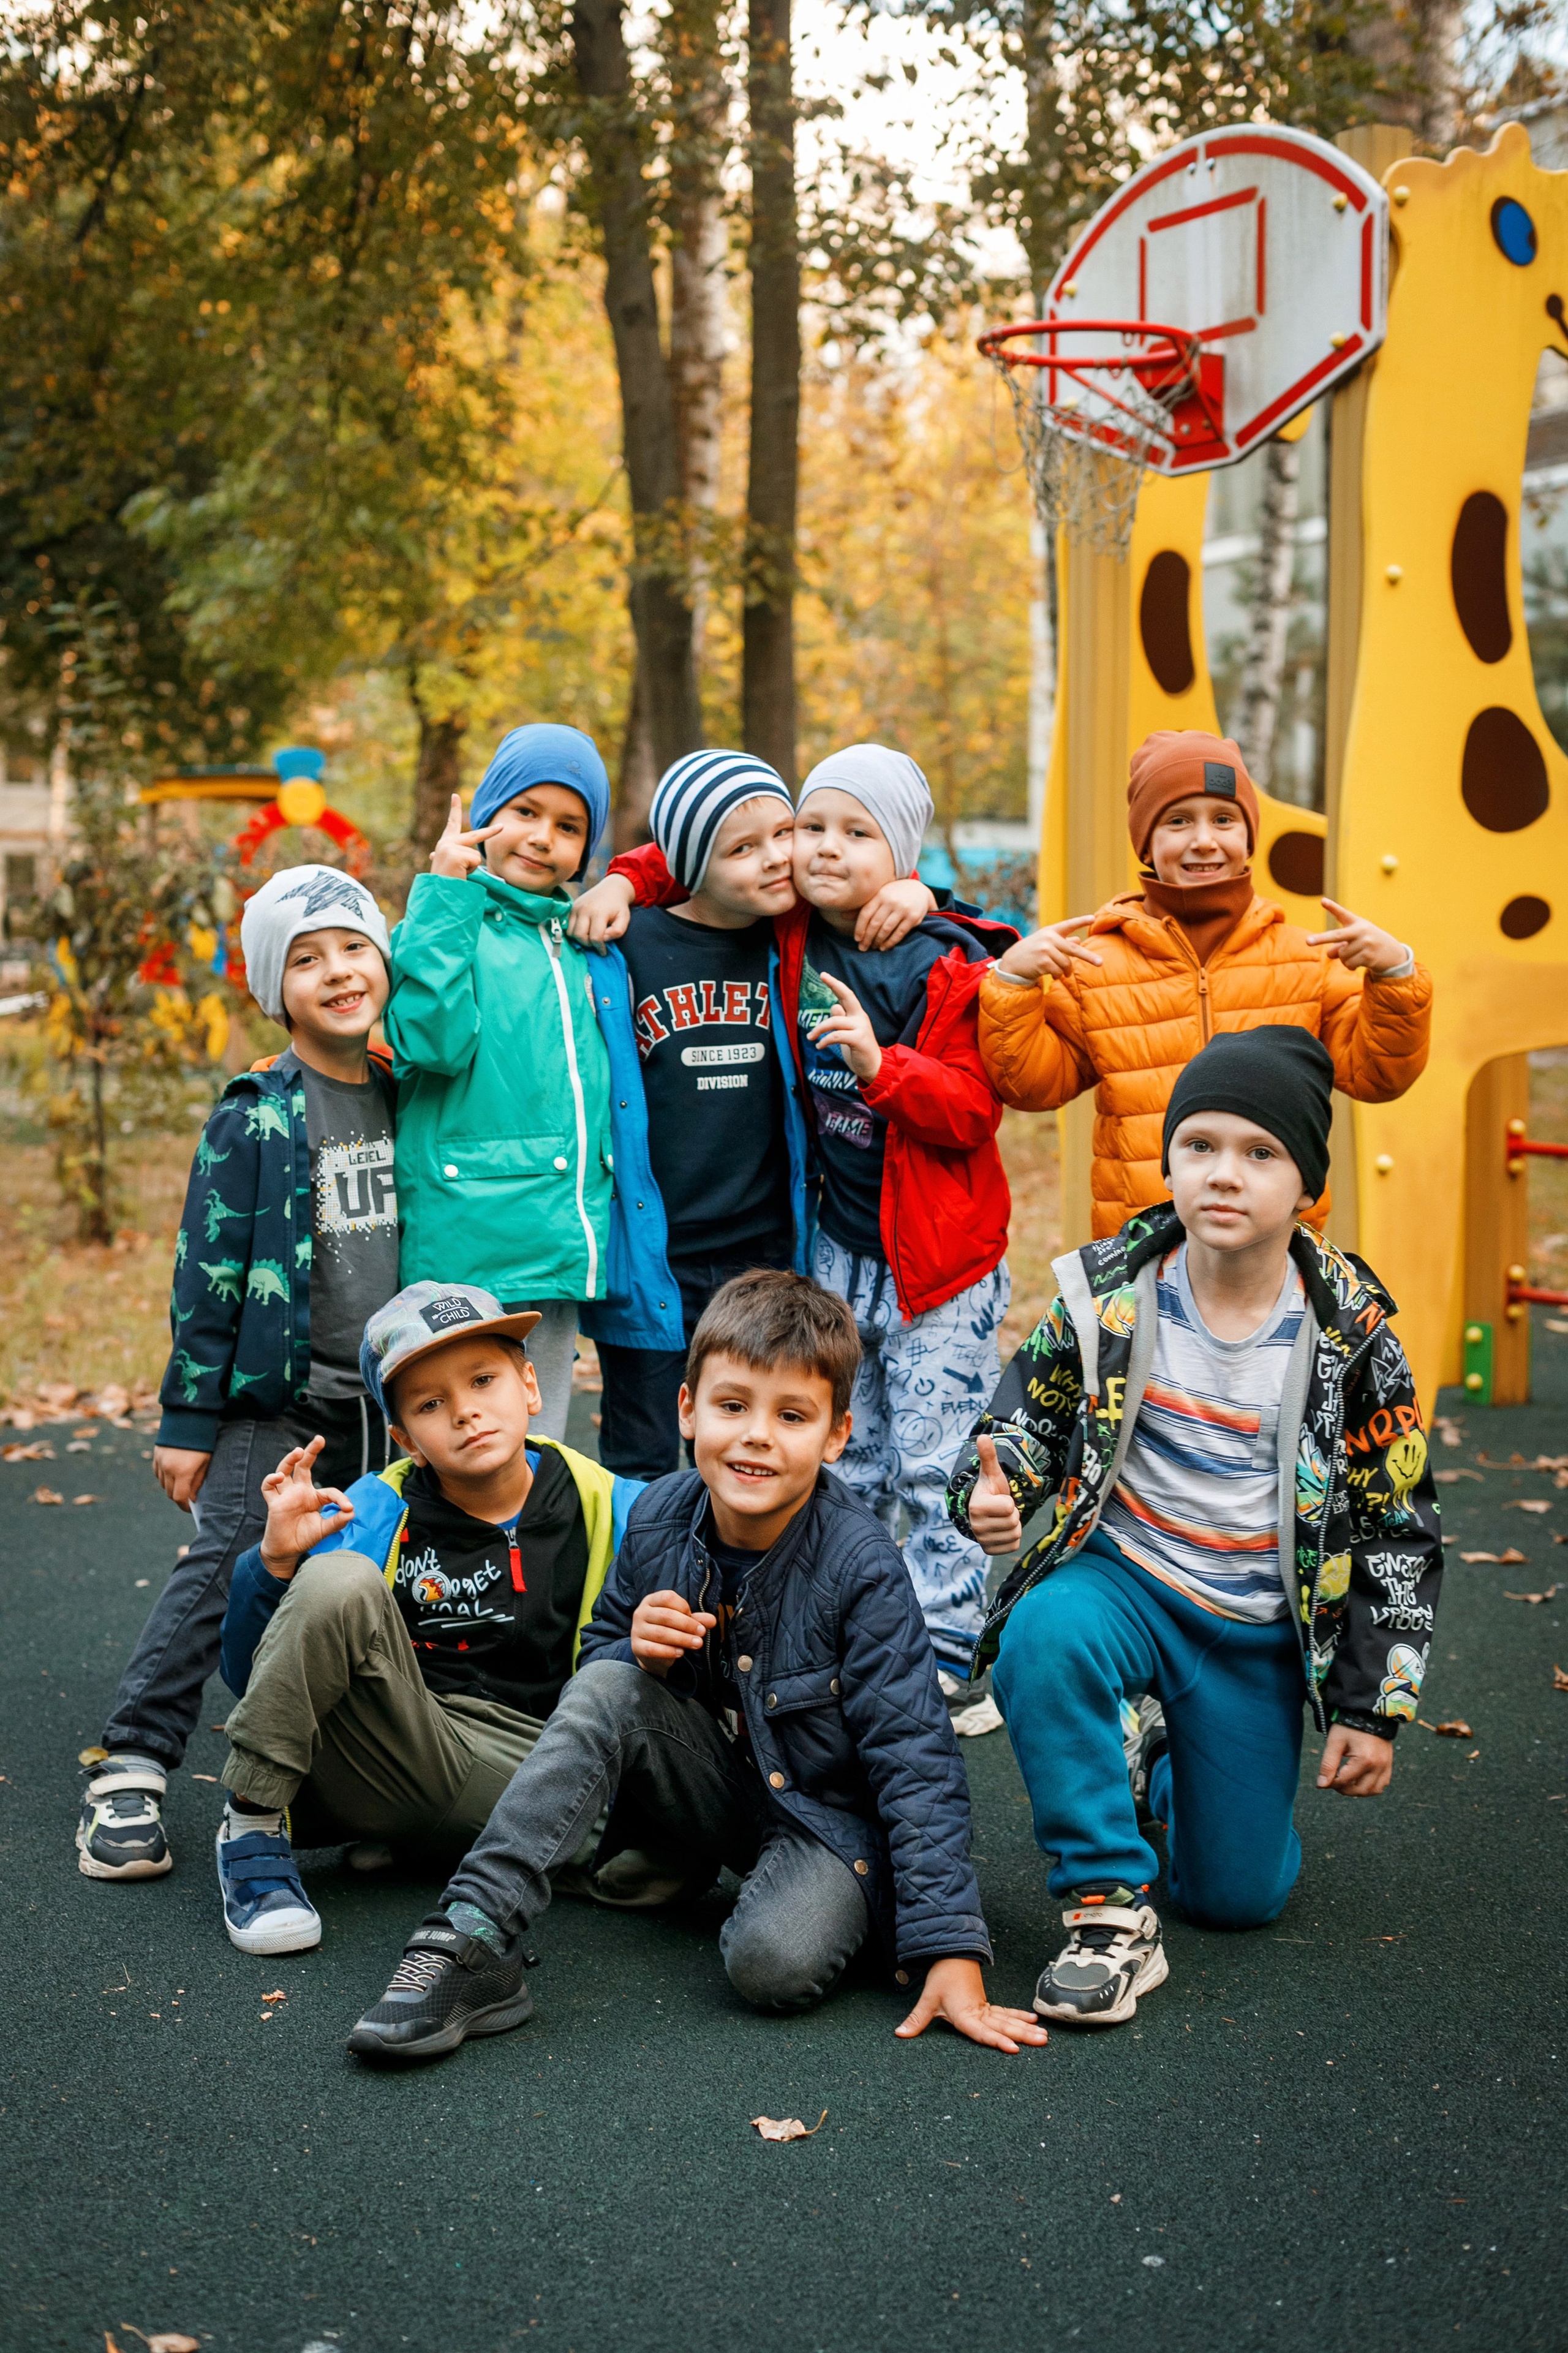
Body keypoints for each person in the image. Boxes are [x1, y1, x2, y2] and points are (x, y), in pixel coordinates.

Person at [345, 1270, 1050, 2062]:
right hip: (725, 1788)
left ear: (835, 1436)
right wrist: (633, 1645)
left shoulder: (861, 1565)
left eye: (791, 1415)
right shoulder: (658, 1515)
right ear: (688, 1410)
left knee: (771, 1963)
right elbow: (598, 1669)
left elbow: (916, 1757)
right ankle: (470, 1937)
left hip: (827, 1822)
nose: (756, 1435)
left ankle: (808, 1895)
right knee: (612, 1684)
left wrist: (946, 1947)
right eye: (732, 1405)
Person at [946, 1027, 1442, 2028]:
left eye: (1261, 1154)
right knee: (1045, 1633)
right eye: (1200, 1146)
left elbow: (1400, 1525)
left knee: (1235, 1899)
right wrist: (991, 1491)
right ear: (1167, 1161)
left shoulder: (1350, 1334)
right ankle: (1106, 1912)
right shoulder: (1109, 1299)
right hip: (1129, 1578)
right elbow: (1017, 1423)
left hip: (1256, 1628)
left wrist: (1370, 1706)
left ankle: (1163, 1761)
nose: (1225, 1174)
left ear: (1305, 1184)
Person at [578, 746, 1019, 1732]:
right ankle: (846, 1632)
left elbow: (971, 1103)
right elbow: (707, 848)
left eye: (845, 833)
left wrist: (882, 1056)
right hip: (836, 1246)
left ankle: (950, 1653)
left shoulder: (939, 952)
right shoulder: (792, 926)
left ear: (897, 851)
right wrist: (621, 871)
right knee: (842, 1455)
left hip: (935, 1257)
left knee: (933, 1456)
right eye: (806, 828)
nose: (807, 852)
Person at [76, 865, 399, 1883]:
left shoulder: (407, 1094)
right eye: (308, 960)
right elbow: (205, 1272)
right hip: (279, 1399)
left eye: (354, 947)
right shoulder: (257, 1113)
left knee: (357, 1590)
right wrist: (188, 1415)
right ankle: (128, 1769)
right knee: (222, 1568)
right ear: (275, 987)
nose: (339, 972)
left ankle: (342, 1779)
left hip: (383, 1408)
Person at [212, 1281, 644, 1955]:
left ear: (530, 1386)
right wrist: (271, 1563)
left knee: (654, 1856)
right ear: (404, 1436)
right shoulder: (370, 1512)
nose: (466, 1412)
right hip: (402, 1736)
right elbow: (250, 1679)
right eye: (432, 1403)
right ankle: (252, 1824)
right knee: (338, 1577)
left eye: (482, 1380)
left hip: (536, 1755)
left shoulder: (615, 1504)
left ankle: (423, 1836)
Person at [979, 729, 1432, 1238]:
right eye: (1178, 821)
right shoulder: (1094, 965)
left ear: (1248, 838)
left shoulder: (1306, 959)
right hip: (1145, 1252)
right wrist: (1012, 981)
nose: (1204, 840)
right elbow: (1033, 1086)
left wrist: (1395, 975)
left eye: (1224, 819)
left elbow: (1379, 1076)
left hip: (1273, 1251)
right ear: (1146, 842)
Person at [382, 721, 687, 1440]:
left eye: (570, 825)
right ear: (487, 811)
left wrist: (621, 877)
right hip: (466, 1248)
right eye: (524, 812)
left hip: (553, 1246)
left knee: (534, 1445)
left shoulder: (579, 939)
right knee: (457, 1446)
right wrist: (444, 893)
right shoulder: (449, 917)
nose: (543, 837)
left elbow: (694, 860)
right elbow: (430, 1040)